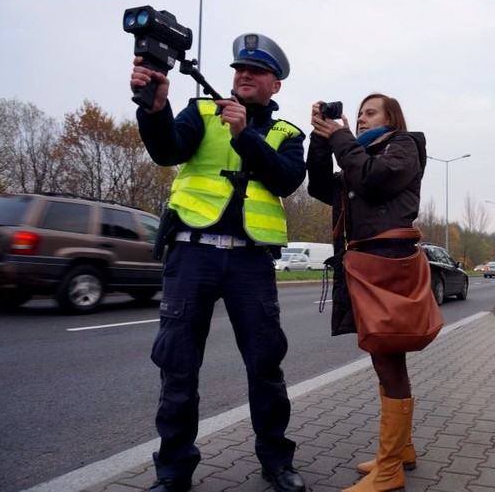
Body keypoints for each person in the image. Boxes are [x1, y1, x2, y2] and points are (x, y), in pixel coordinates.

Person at [129, 33, 306, 492]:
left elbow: (286, 180)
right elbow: (167, 150)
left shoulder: (287, 135)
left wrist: (245, 136)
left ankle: (276, 461)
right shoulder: (202, 112)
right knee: (178, 368)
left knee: (266, 367)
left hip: (251, 262)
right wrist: (156, 108)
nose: (243, 75)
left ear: (275, 86)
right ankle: (173, 471)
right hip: (192, 254)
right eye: (238, 69)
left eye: (256, 71)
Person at [306, 93, 427, 492]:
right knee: (384, 358)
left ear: (392, 118)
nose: (359, 118)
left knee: (388, 359)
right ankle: (401, 450)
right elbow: (323, 187)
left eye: (369, 112)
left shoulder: (403, 146)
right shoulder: (356, 155)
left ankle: (390, 470)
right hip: (366, 264)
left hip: (388, 264)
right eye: (357, 114)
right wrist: (321, 139)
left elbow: (374, 181)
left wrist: (341, 138)